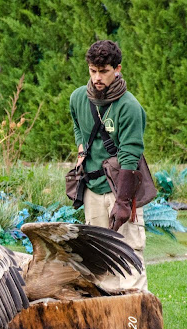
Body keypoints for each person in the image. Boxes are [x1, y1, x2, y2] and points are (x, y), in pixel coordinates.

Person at [70, 40, 147, 291]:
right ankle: (110, 327)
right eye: (93, 71)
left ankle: (139, 328)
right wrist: (82, 146)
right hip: (93, 189)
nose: (97, 78)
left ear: (118, 69)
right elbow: (76, 124)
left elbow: (131, 154)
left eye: (103, 71)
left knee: (130, 263)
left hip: (121, 190)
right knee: (100, 265)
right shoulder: (78, 98)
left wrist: (124, 203)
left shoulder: (129, 107)